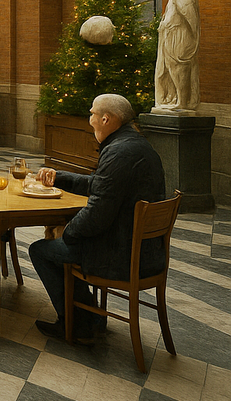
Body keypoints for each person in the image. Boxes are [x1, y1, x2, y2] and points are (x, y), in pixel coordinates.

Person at [29, 93, 166, 342]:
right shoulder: (137, 145)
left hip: (119, 255)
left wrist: (68, 232)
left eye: (92, 113)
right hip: (147, 253)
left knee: (41, 250)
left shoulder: (118, 152)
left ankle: (76, 324)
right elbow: (101, 185)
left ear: (106, 119)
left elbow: (97, 216)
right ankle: (90, 316)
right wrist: (61, 177)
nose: (89, 119)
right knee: (62, 243)